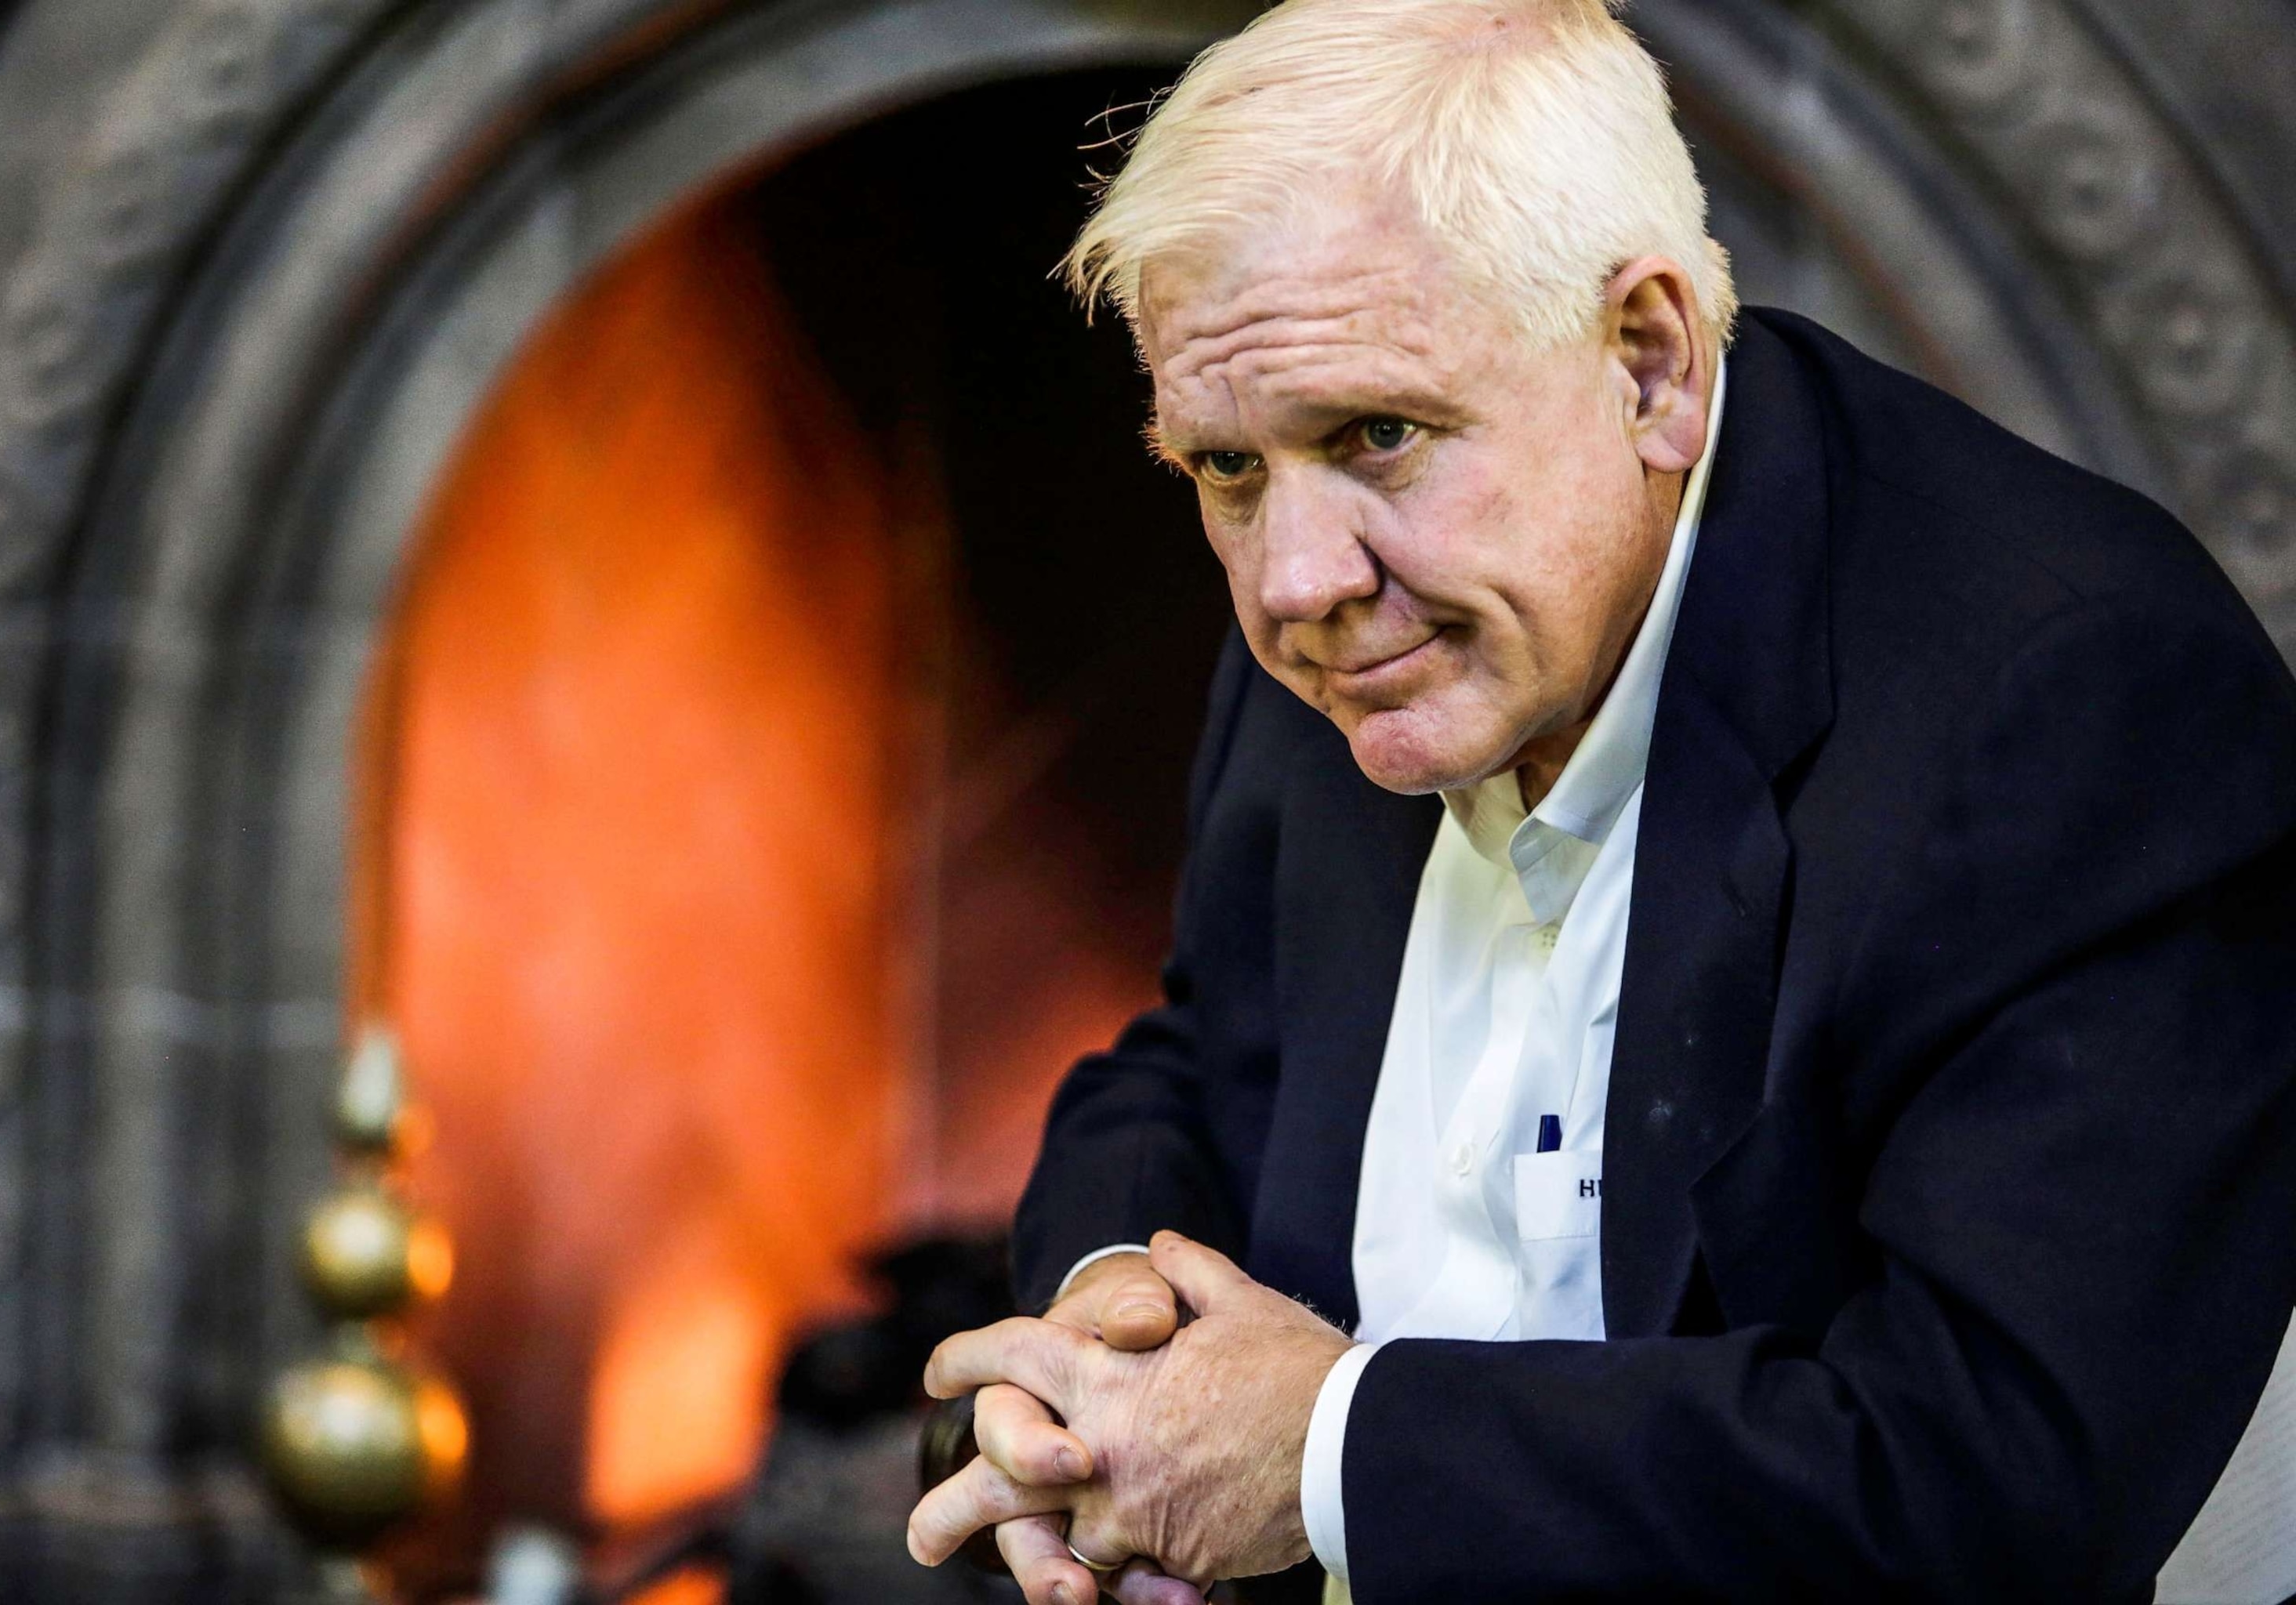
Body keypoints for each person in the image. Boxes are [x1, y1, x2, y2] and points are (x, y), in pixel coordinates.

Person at [905, 1, 2296, 1600]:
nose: (1292, 582)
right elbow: (1207, 1055)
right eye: (1226, 468)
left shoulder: (2072, 699)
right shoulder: (1376, 619)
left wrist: (1324, 1456)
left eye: (1381, 431)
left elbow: (1988, 1474)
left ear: (1648, 364)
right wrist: (1101, 1345)